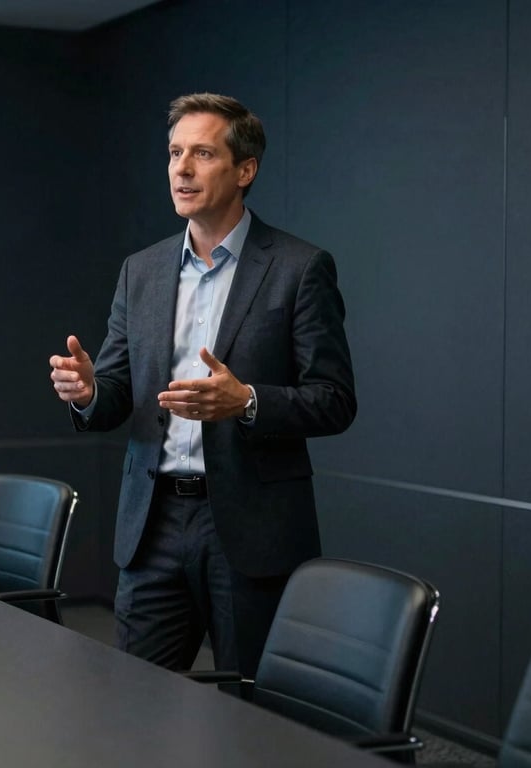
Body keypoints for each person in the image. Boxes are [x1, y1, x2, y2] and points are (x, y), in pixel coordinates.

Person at [49, 93, 356, 677]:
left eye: (203, 153)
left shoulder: (299, 268)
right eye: (174, 153)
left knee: (255, 718)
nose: (182, 169)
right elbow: (118, 394)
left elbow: (335, 399)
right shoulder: (140, 271)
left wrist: (248, 401)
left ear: (245, 170)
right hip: (153, 524)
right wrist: (90, 392)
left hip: (249, 526)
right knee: (134, 704)